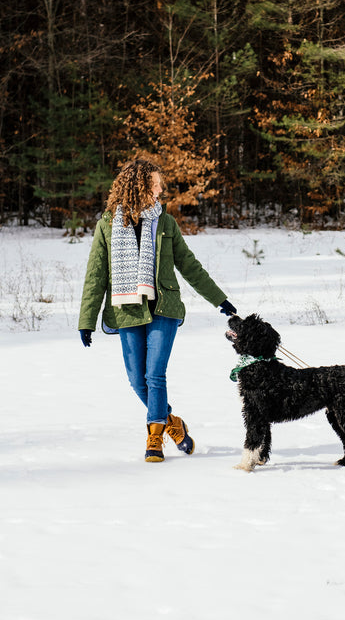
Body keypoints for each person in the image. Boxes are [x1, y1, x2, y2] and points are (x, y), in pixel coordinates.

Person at [78, 158, 237, 463]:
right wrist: (86, 320)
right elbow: (96, 275)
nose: (161, 190)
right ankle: (172, 424)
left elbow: (189, 265)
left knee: (155, 375)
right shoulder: (108, 224)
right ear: (138, 187)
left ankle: (154, 438)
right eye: (155, 185)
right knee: (138, 381)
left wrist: (219, 299)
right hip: (127, 309)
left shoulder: (165, 222)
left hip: (163, 307)